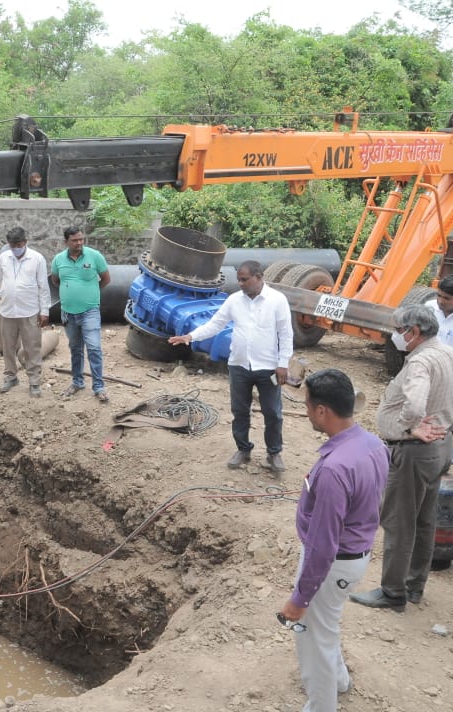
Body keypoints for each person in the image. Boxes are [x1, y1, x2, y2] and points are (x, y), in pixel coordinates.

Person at [278, 369, 389, 712]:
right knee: (326, 625)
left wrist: (300, 598)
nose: (306, 411)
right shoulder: (372, 444)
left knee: (313, 637)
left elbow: (322, 546)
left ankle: (321, 706)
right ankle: (339, 680)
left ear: (323, 411)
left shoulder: (334, 469)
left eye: (308, 405)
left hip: (333, 562)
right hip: (355, 555)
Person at [350, 304, 453, 611]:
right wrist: (447, 428)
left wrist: (411, 427)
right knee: (425, 520)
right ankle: (414, 585)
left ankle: (393, 592)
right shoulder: (449, 354)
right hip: (441, 447)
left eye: (398, 331)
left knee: (400, 523)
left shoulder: (420, 363)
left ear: (413, 332)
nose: (395, 337)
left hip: (414, 453)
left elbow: (414, 404)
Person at [168, 260, 293, 473]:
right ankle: (243, 449)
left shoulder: (277, 300)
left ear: (259, 277)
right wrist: (191, 336)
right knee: (240, 411)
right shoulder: (234, 301)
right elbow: (215, 324)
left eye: (245, 279)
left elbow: (286, 333)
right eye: (239, 280)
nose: (241, 284)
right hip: (239, 366)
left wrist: (283, 364)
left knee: (273, 412)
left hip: (268, 367)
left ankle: (274, 453)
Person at [51, 227, 111, 402]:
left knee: (94, 348)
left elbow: (106, 279)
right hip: (68, 312)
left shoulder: (94, 256)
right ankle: (77, 382)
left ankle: (99, 387)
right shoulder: (58, 260)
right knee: (75, 349)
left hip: (90, 311)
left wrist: (90, 292)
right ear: (66, 242)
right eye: (75, 240)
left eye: (81, 239)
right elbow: (55, 280)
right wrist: (70, 294)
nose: (79, 243)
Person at [0, 226, 50, 398]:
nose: (16, 248)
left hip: (30, 311)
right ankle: (10, 377)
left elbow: (43, 286)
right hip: (8, 311)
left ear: (25, 242)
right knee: (8, 347)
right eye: (12, 245)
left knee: (32, 347)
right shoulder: (4, 257)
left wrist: (45, 311)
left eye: (19, 244)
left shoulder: (37, 259)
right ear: (9, 244)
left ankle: (34, 382)